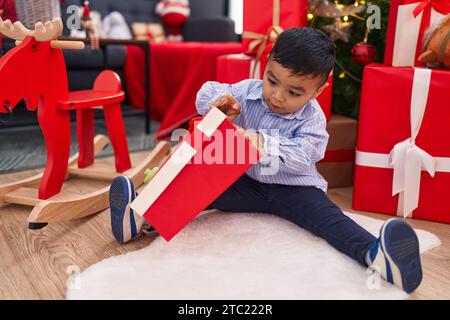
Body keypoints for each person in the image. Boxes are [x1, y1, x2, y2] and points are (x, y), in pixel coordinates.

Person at [108, 27, 423, 294]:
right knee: (194, 186)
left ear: (319, 90)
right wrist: (218, 103)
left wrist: (262, 142)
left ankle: (379, 256)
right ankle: (139, 218)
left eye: (294, 92)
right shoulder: (248, 92)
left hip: (294, 188)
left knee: (331, 222)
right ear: (267, 65)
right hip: (245, 182)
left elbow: (304, 156)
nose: (278, 96)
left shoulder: (313, 118)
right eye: (273, 81)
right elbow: (206, 92)